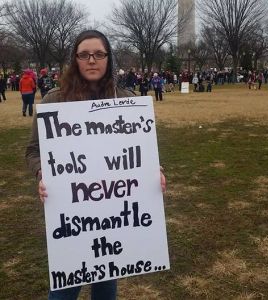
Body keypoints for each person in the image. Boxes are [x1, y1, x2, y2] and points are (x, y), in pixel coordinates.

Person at [25, 29, 166, 300]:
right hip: (72, 215)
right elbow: (33, 150)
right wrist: (42, 172)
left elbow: (141, 152)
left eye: (99, 54)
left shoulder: (126, 99)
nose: (92, 60)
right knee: (65, 288)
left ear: (108, 58)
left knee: (106, 281)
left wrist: (153, 172)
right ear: (74, 59)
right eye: (84, 54)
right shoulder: (55, 100)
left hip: (113, 215)